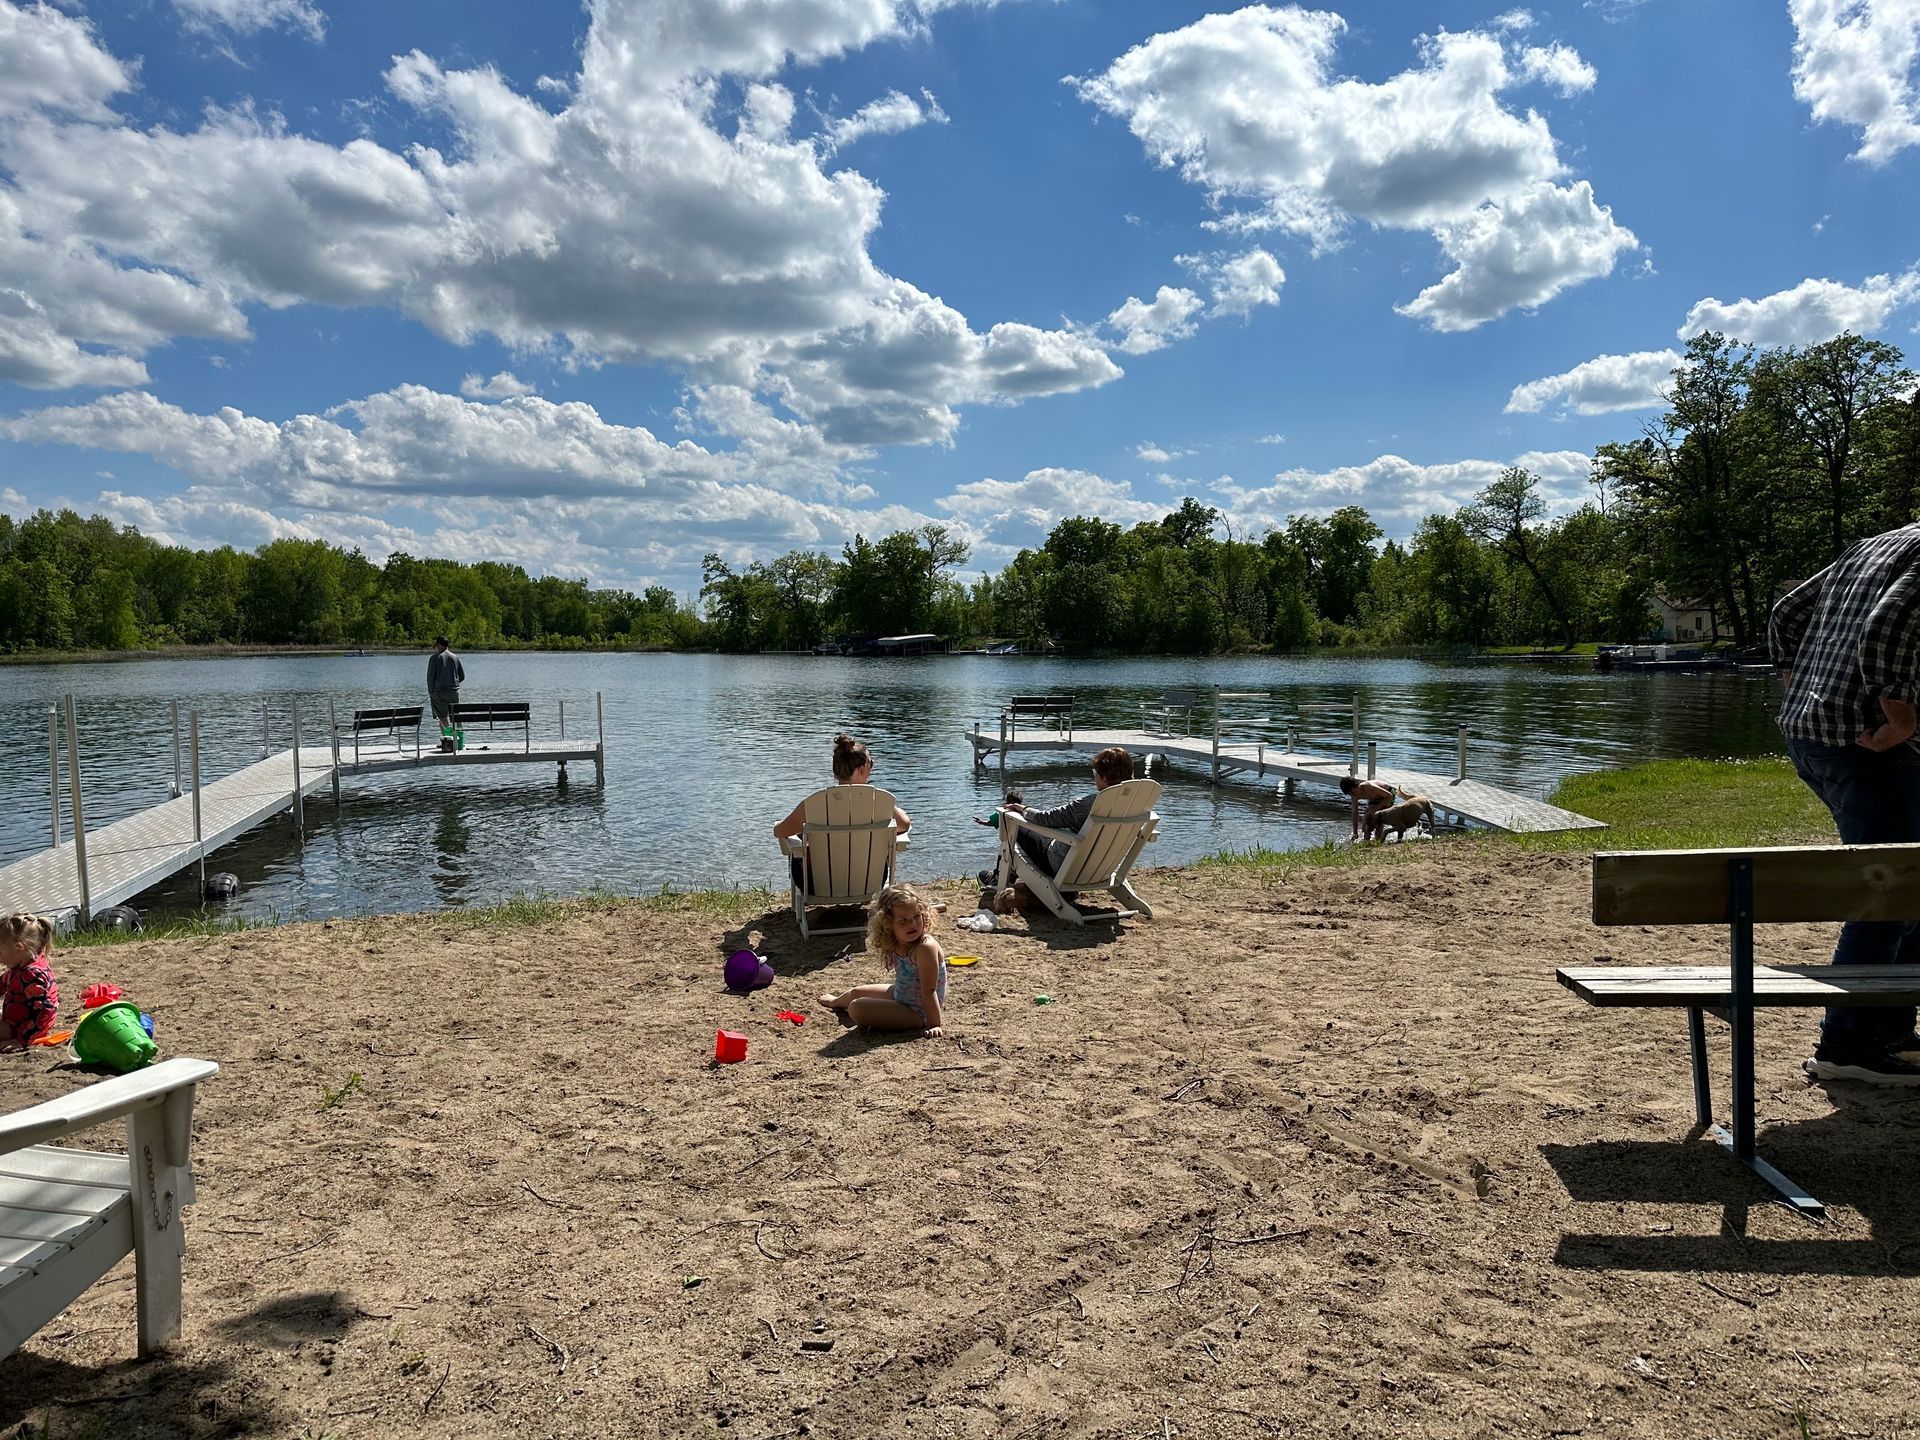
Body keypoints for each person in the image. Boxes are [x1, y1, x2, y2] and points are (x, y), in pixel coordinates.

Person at [1770, 522, 1920, 1084]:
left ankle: (1890, 1033)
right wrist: (1898, 712)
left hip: (1814, 734)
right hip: (1866, 743)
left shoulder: (1881, 542)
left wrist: (1794, 674)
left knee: (1909, 885)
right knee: (1889, 890)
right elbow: (1889, 626)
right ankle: (1847, 1046)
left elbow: (1788, 611)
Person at [773, 734, 912, 887]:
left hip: (818, 884)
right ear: (861, 770)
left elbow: (779, 831)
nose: (872, 768)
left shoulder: (816, 802)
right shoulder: (879, 800)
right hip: (869, 881)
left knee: (800, 844)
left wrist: (804, 836)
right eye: (871, 764)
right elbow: (904, 825)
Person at [982, 746, 1131, 885]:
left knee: (1013, 823)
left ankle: (998, 877)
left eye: (1095, 773)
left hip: (1062, 866)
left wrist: (1021, 808)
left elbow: (1044, 818)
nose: (1094, 777)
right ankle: (1006, 873)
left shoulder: (1090, 804)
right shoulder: (1135, 804)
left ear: (1105, 778)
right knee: (1047, 835)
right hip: (1103, 868)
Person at [819, 883, 946, 1036]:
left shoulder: (925, 947)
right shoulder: (897, 941)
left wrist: (934, 1024)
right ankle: (835, 1002)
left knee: (856, 1008)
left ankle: (918, 1021)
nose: (912, 924)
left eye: (916, 917)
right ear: (888, 925)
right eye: (903, 920)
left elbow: (929, 990)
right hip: (901, 993)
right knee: (855, 993)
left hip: (919, 1010)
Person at [0, 913, 58, 1053]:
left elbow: (46, 1009)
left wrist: (22, 1040)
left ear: (19, 947)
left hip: (25, 1028)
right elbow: (3, 982)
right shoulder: (21, 966)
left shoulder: (32, 974)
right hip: (18, 1020)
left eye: (0, 953)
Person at [427, 636, 465, 747]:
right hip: (454, 691)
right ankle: (460, 741)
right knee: (456, 715)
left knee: (442, 716)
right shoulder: (455, 657)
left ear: (438, 645)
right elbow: (462, 676)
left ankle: (448, 742)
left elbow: (430, 677)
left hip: (438, 693)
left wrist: (431, 691)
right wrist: (454, 684)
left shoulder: (434, 658)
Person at [1338, 775, 1398, 841]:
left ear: (1357, 785)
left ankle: (1378, 841)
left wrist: (1375, 808)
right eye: (1350, 794)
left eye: (1353, 792)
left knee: (1378, 819)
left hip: (1388, 794)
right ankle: (1366, 842)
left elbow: (1389, 796)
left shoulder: (1368, 786)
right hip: (1375, 798)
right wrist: (1355, 833)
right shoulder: (1354, 796)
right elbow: (1355, 814)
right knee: (1368, 822)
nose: (1353, 795)